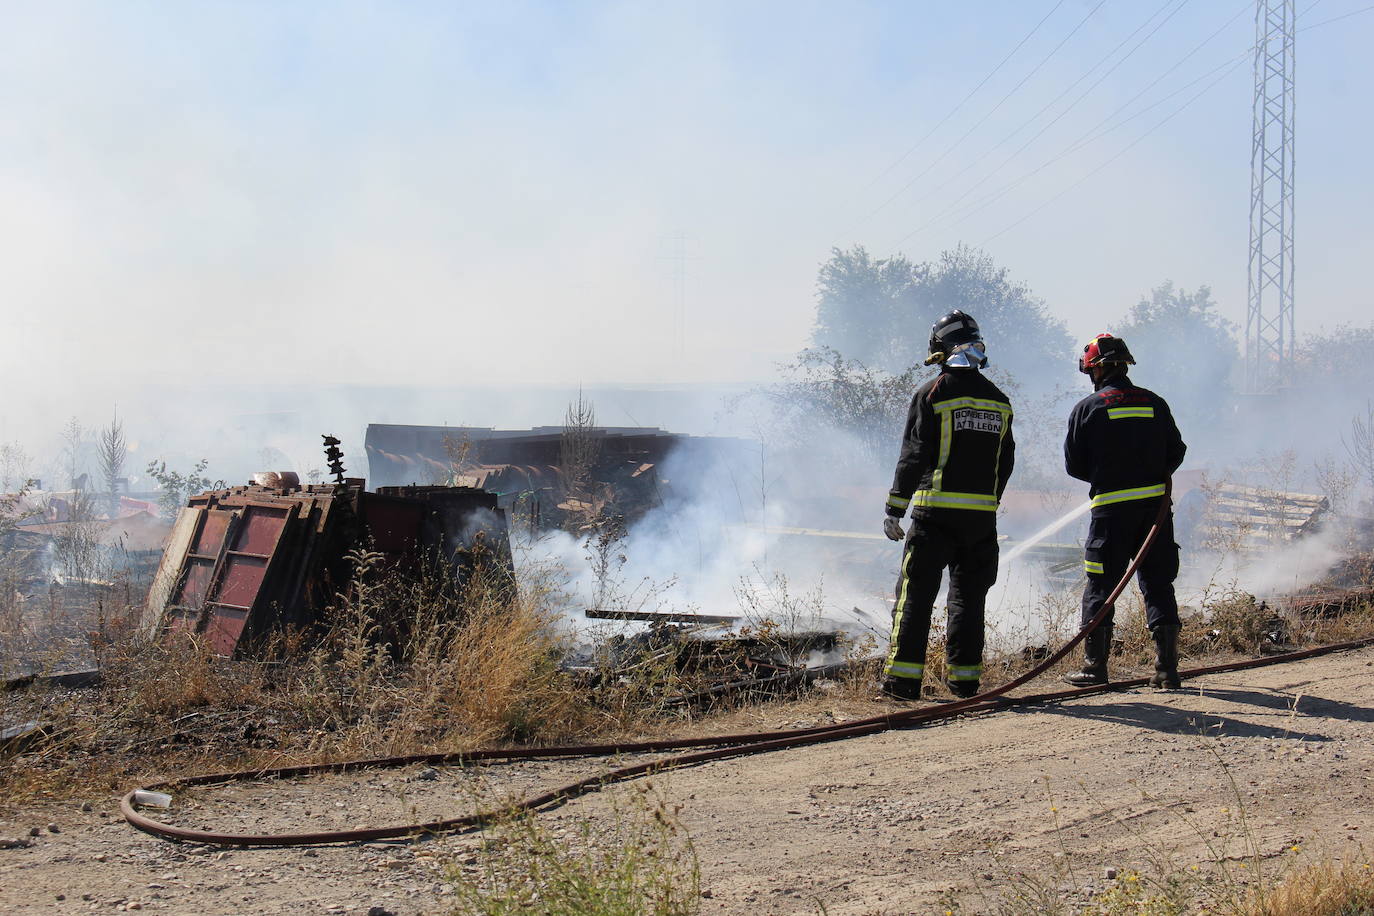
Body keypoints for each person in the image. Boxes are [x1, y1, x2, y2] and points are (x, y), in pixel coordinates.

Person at [881, 310, 1015, 700]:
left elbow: (914, 454)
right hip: (980, 521)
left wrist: (895, 507)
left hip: (933, 516)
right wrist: (987, 503)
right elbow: (1005, 463)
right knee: (968, 601)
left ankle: (902, 683)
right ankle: (965, 681)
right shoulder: (999, 400)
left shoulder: (933, 393)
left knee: (916, 598)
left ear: (939, 347)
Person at [1063, 333, 1187, 689]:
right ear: (1125, 364)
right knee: (1159, 584)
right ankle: (1167, 671)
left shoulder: (1087, 409)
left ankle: (1094, 668)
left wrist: (1109, 477)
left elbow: (1074, 465)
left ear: (1093, 370)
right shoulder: (1154, 402)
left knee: (1100, 585)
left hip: (1110, 514)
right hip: (1155, 514)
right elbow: (1176, 451)